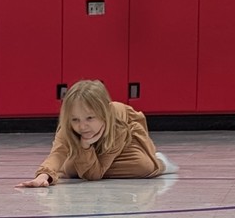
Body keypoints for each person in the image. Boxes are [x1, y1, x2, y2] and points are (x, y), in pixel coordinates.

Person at [16, 79, 178, 188]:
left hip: (125, 144)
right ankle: (81, 163)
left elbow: (95, 175)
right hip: (92, 154)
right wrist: (44, 175)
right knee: (72, 168)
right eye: (75, 120)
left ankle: (160, 162)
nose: (82, 126)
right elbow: (58, 152)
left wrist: (83, 152)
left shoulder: (118, 125)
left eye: (90, 118)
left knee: (143, 166)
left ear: (104, 113)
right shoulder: (69, 125)